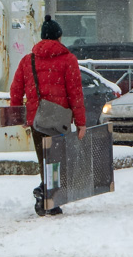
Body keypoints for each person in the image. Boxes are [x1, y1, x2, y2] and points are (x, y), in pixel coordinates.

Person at [9, 16, 86, 217]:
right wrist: (81, 123)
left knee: (45, 161)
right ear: (58, 37)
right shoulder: (68, 60)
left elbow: (16, 89)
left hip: (37, 120)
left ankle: (47, 199)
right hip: (59, 121)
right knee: (58, 162)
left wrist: (17, 114)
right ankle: (46, 196)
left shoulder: (28, 60)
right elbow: (75, 94)